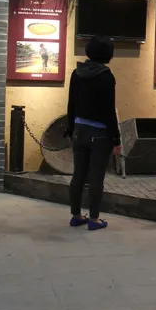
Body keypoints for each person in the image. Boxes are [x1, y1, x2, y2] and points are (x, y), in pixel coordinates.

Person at [65, 36, 121, 230]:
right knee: (96, 178)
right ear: (108, 54)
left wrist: (70, 128)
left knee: (78, 176)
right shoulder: (106, 76)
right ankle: (94, 219)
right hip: (99, 133)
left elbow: (71, 103)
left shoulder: (76, 73)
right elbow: (108, 110)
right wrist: (116, 137)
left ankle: (76, 216)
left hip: (79, 129)